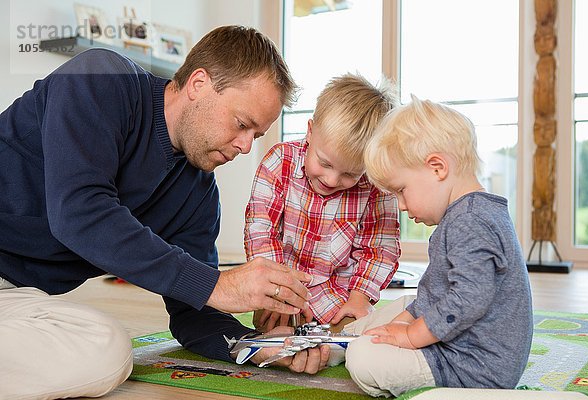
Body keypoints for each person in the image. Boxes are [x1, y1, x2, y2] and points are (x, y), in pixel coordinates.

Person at [0, 25, 330, 400]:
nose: (244, 146)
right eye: (242, 124)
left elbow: (195, 311)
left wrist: (258, 347)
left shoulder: (199, 192)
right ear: (198, 84)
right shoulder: (100, 79)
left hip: (16, 297)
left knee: (106, 350)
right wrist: (218, 285)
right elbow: (79, 212)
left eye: (255, 136)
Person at [343, 96, 533, 397]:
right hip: (463, 346)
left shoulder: (470, 221)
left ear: (437, 168)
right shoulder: (469, 214)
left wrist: (408, 335)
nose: (402, 206)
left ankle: (351, 345)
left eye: (401, 191)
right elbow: (439, 291)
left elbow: (468, 298)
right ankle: (348, 338)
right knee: (406, 305)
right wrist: (402, 324)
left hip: (472, 369)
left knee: (363, 360)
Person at [244, 74, 401, 333]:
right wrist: (278, 291)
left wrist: (359, 298)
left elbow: (379, 250)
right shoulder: (278, 163)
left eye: (350, 174)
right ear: (310, 131)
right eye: (325, 163)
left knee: (355, 333)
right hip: (281, 286)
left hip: (340, 294)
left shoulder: (376, 187)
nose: (331, 179)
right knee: (273, 327)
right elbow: (260, 233)